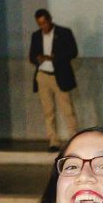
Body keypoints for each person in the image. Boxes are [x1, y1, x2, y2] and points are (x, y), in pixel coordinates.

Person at [29, 9, 79, 149]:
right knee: (48, 111)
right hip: (42, 75)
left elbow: (73, 52)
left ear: (50, 20)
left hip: (60, 75)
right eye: (40, 24)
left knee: (67, 109)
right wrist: (38, 58)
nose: (43, 27)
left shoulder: (64, 32)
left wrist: (55, 57)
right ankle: (53, 141)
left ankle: (74, 139)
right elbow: (31, 56)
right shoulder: (36, 36)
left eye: (44, 23)